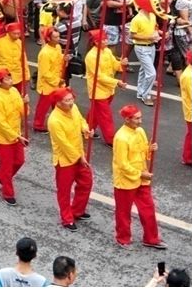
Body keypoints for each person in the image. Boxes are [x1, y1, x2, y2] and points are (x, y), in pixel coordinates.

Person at [112, 104, 166, 249]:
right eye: (137, 119)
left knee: (148, 209)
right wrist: (140, 173)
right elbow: (122, 164)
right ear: (127, 119)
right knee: (124, 212)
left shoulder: (140, 131)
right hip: (126, 180)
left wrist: (150, 149)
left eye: (140, 117)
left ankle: (151, 238)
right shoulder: (121, 137)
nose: (140, 121)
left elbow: (143, 153)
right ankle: (123, 238)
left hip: (142, 178)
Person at [47, 88, 92, 231]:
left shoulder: (74, 108)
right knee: (64, 191)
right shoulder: (54, 120)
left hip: (79, 154)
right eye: (67, 101)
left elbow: (81, 120)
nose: (71, 103)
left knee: (86, 183)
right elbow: (64, 144)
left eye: (71, 99)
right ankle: (67, 218)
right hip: (65, 160)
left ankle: (77, 210)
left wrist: (85, 128)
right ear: (58, 103)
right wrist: (79, 158)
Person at [0, 68, 28, 205]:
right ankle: (8, 193)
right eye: (7, 79)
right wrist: (17, 136)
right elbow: (1, 123)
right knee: (6, 166)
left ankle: (0, 176)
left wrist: (25, 104)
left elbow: (21, 112)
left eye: (10, 78)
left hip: (16, 135)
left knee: (19, 161)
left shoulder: (14, 91)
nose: (11, 81)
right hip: (3, 138)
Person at [84, 28, 127, 145]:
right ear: (96, 42)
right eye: (103, 40)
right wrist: (116, 82)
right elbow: (99, 76)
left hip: (108, 88)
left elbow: (114, 64)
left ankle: (86, 128)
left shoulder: (107, 51)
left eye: (106, 39)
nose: (106, 41)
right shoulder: (91, 56)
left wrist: (121, 64)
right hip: (97, 90)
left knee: (96, 112)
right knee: (105, 116)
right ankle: (110, 139)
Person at [34, 26, 65, 133]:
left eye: (58, 36)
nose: (58, 39)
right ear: (49, 39)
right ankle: (38, 124)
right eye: (55, 37)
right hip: (47, 84)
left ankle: (58, 122)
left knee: (57, 104)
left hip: (56, 81)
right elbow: (45, 73)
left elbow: (59, 59)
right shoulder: (45, 53)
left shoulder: (58, 47)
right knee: (43, 107)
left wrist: (64, 59)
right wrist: (57, 81)